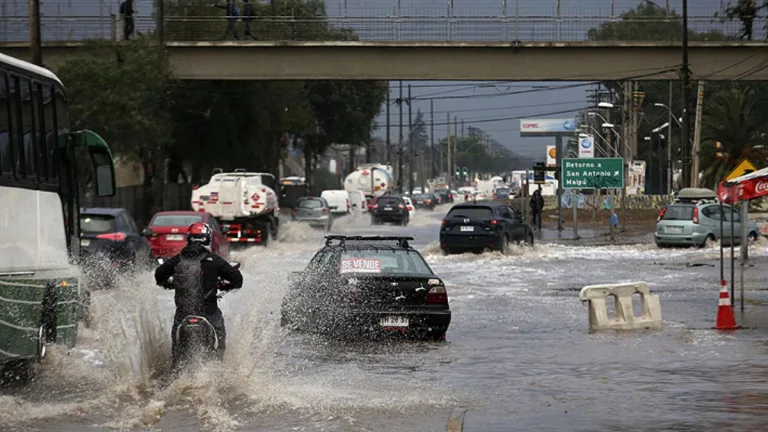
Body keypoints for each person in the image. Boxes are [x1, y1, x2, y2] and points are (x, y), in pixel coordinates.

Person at [155, 222, 243, 368]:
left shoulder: (177, 259)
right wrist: (226, 286)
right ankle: (220, 365)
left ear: (188, 239)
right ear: (207, 239)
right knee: (219, 332)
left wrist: (170, 284)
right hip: (209, 313)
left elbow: (159, 275)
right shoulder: (214, 260)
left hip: (183, 314)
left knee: (176, 346)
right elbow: (237, 279)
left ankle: (175, 365)